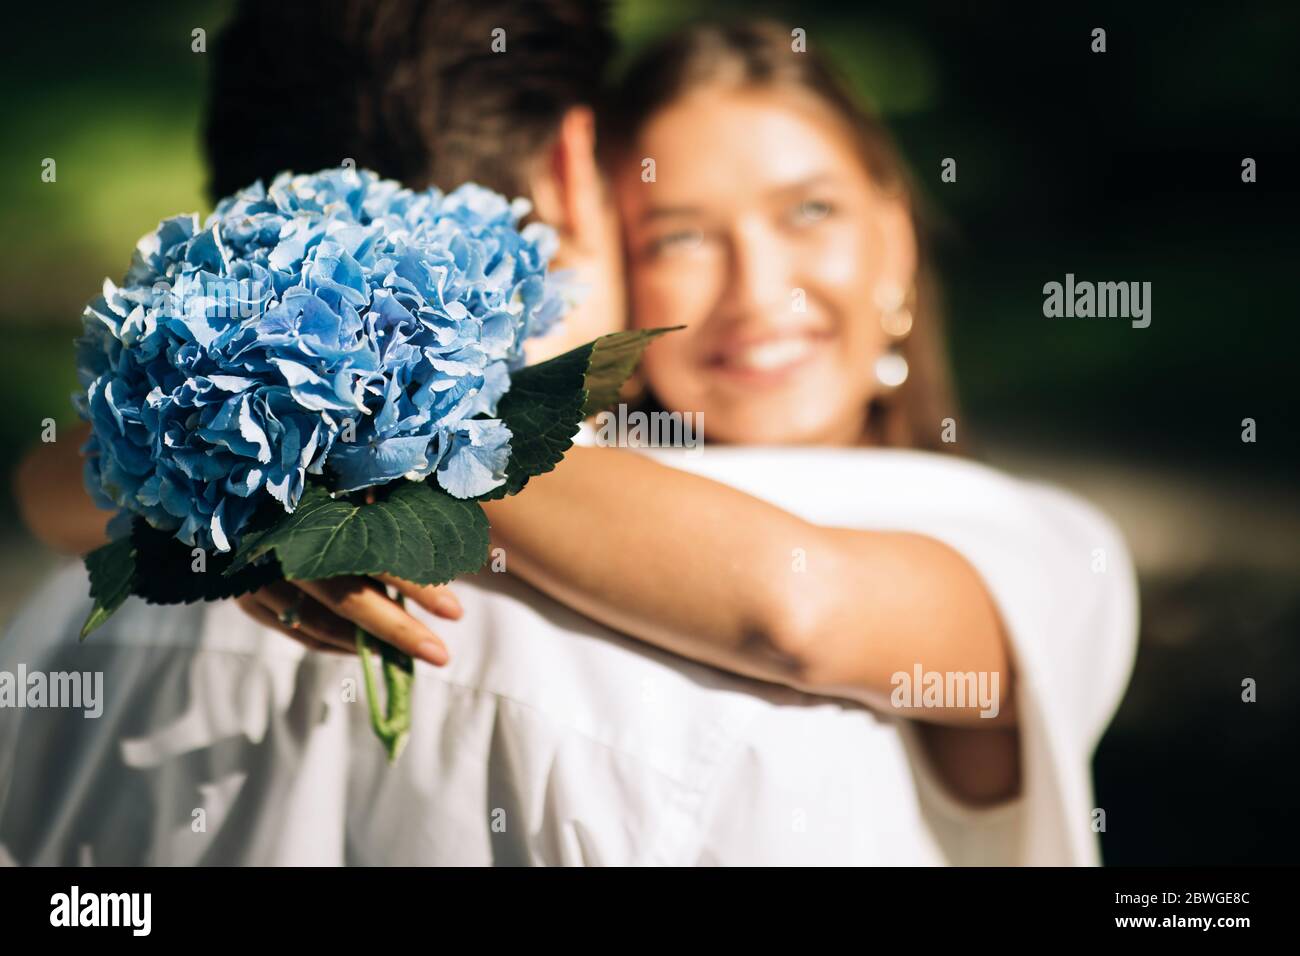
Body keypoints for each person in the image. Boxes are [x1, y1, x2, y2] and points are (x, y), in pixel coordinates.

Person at [3, 9, 1137, 865]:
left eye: (810, 210)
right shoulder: (586, 498)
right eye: (680, 233)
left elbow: (796, 607)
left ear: (897, 232)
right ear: (598, 247)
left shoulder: (1025, 538)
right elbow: (48, 483)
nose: (757, 287)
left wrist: (324, 438)